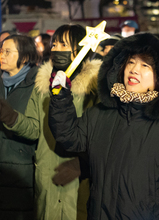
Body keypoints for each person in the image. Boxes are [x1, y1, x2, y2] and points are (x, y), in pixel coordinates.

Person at [48, 33, 159, 220]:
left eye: (145, 65)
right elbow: (70, 137)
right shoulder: (100, 113)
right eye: (130, 62)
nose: (134, 70)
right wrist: (60, 98)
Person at [1, 24, 102, 220]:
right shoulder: (44, 84)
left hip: (81, 181)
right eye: (54, 44)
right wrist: (11, 117)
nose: (55, 48)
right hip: (47, 176)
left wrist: (84, 164)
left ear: (80, 49)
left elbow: (105, 138)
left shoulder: (96, 88)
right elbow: (34, 129)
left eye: (62, 44)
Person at [0, 35, 40, 219]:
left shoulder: (38, 85)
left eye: (8, 51)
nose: (2, 55)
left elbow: (35, 129)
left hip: (21, 168)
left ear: (24, 57)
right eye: (1, 50)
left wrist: (10, 117)